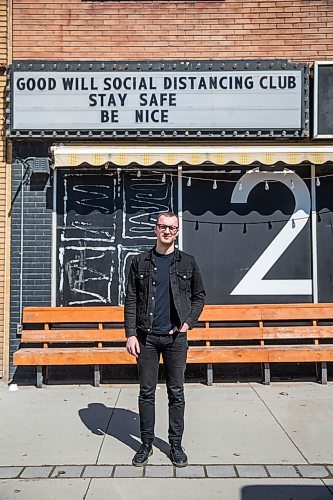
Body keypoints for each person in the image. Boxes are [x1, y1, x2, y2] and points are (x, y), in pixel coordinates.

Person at [125, 211, 206, 468]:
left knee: (176, 393)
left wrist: (187, 323)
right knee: (146, 392)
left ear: (178, 231)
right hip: (146, 338)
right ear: (155, 229)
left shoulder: (188, 262)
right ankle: (146, 443)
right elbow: (131, 300)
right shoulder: (139, 262)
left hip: (175, 339)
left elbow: (199, 296)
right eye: (163, 227)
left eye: (172, 228)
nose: (167, 231)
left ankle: (175, 445)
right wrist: (130, 334)